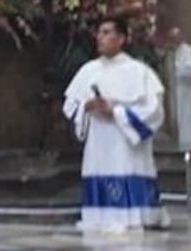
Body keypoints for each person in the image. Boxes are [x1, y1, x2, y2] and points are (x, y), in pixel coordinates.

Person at [64, 16, 169, 233]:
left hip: (125, 138)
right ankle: (100, 216)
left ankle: (133, 216)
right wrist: (87, 105)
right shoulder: (88, 70)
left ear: (121, 38)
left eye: (106, 32)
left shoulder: (139, 71)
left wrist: (118, 112)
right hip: (98, 136)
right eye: (99, 33)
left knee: (126, 166)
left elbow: (155, 111)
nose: (100, 37)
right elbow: (70, 105)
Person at [167, 27, 191, 149]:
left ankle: (187, 147)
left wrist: (175, 70)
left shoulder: (189, 51)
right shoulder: (167, 52)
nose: (175, 40)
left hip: (184, 89)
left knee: (186, 120)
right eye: (172, 37)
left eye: (177, 37)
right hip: (170, 92)